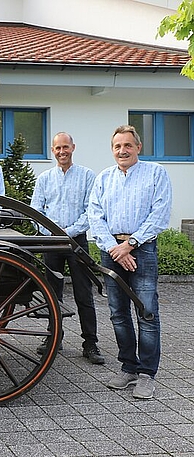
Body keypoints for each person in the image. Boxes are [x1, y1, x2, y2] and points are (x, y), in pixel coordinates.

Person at [88, 124, 172, 399]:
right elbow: (95, 216)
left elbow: (159, 213)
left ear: (138, 147)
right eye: (117, 146)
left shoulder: (156, 173)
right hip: (110, 250)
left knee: (146, 311)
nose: (122, 150)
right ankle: (128, 368)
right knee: (118, 312)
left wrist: (130, 245)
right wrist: (115, 248)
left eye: (127, 145)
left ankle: (147, 374)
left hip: (143, 249)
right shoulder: (103, 178)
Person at [31, 132, 104, 364]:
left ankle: (90, 343)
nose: (62, 152)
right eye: (57, 148)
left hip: (77, 241)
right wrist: (51, 234)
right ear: (52, 151)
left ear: (73, 147)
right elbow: (35, 211)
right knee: (52, 293)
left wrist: (68, 233)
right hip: (50, 242)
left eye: (66, 147)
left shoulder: (87, 176)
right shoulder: (44, 178)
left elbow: (90, 211)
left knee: (84, 293)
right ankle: (54, 338)